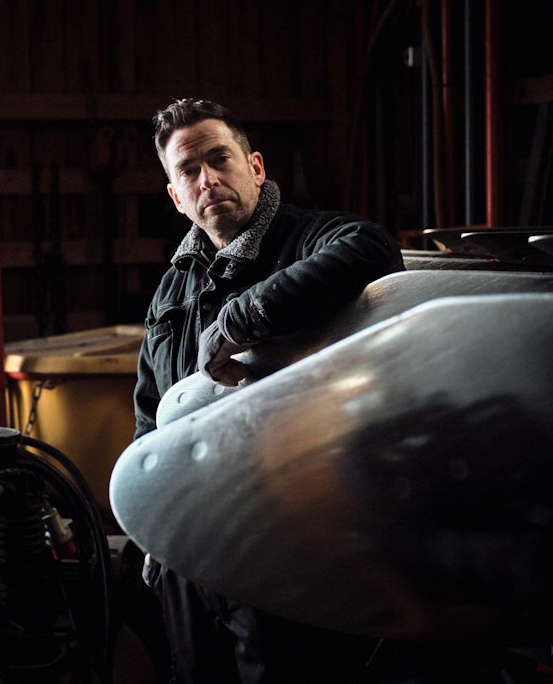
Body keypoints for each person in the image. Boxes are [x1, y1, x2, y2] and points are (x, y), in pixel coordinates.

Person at [133, 98, 406, 683]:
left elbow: (375, 249)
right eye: (189, 171)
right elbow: (149, 410)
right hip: (190, 538)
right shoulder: (171, 289)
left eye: (219, 159)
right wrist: (149, 520)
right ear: (177, 197)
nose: (208, 179)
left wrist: (242, 317)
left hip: (286, 536)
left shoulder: (309, 238)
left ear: (255, 167)